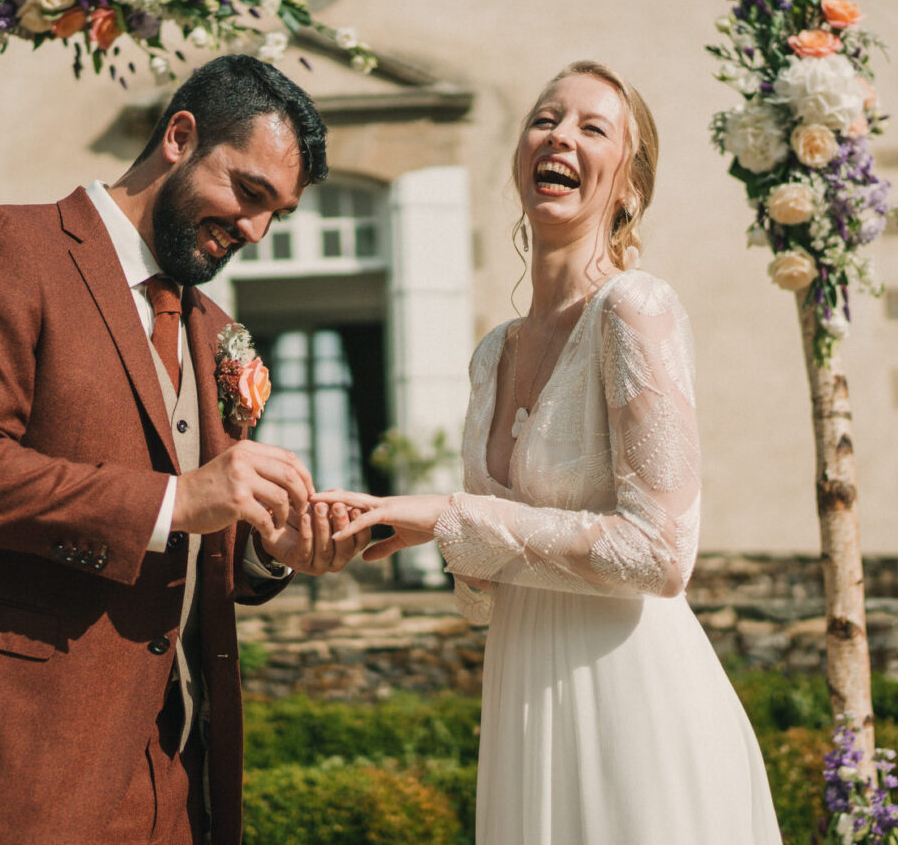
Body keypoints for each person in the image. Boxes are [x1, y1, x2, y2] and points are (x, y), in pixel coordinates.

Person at [0, 54, 370, 845]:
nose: (256, 230)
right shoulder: (1, 247)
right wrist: (177, 500)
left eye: (279, 214)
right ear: (179, 136)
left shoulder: (216, 330)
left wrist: (273, 549)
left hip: (175, 773)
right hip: (13, 761)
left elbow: (205, 538)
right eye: (248, 192)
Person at [323, 62, 781, 843]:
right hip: (526, 700)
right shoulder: (491, 355)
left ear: (629, 187)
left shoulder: (634, 311)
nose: (561, 135)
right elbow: (483, 595)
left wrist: (451, 516)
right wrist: (420, 532)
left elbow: (662, 553)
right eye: (546, 118)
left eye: (592, 127)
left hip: (633, 699)